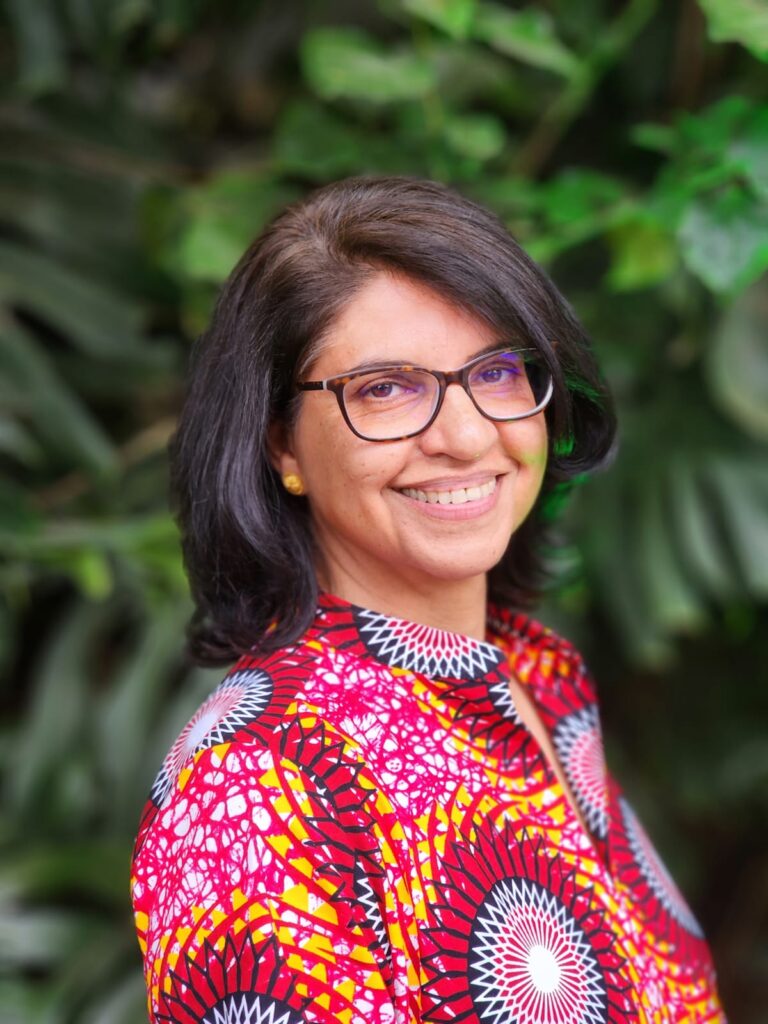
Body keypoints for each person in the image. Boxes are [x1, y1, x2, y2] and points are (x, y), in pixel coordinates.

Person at [131, 176, 725, 1023]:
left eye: (497, 371)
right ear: (278, 444)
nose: (468, 435)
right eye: (386, 389)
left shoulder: (538, 679)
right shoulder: (258, 792)